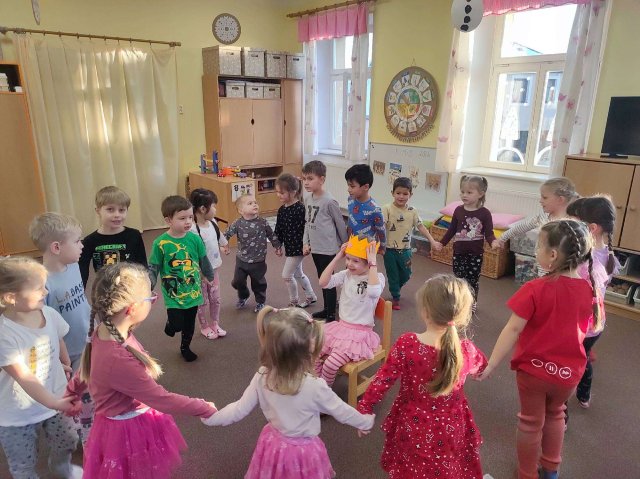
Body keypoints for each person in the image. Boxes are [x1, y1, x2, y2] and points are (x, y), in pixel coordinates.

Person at [65, 263, 216, 479]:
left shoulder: (104, 330)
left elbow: (85, 369)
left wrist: (71, 391)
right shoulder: (118, 358)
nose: (154, 301)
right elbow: (161, 399)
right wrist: (202, 407)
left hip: (118, 422)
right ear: (131, 309)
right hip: (127, 431)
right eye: (151, 298)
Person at [478, 219, 602, 479]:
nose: (536, 252)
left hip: (534, 372)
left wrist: (491, 364)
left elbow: (513, 329)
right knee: (556, 414)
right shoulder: (589, 290)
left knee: (530, 423)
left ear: (553, 255)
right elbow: (589, 327)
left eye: (538, 247)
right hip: (569, 374)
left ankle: (526, 473)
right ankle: (551, 470)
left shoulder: (535, 288)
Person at [201, 306, 374, 479]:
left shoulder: (262, 375)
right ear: (307, 353)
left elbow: (239, 409)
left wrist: (213, 417)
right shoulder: (315, 386)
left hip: (273, 444)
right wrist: (364, 422)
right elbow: (342, 411)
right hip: (304, 453)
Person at [357, 274, 487, 479]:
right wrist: (478, 371)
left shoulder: (407, 344)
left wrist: (364, 408)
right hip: (451, 426)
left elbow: (383, 380)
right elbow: (481, 368)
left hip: (413, 424)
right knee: (447, 466)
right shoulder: (466, 350)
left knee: (412, 467)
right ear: (461, 315)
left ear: (425, 311)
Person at [0, 256, 81, 479]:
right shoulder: (5, 334)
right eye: (38, 288)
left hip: (55, 396)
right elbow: (24, 376)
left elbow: (58, 337)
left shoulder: (49, 313)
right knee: (23, 463)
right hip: (18, 414)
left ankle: (61, 467)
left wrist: (64, 362)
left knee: (68, 440)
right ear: (11, 297)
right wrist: (54, 402)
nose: (46, 291)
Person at [566, 195, 620, 408]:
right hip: (596, 323)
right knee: (584, 357)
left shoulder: (584, 262)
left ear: (591, 228)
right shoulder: (608, 255)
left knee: (572, 361)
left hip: (580, 325)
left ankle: (565, 401)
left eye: (574, 224)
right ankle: (584, 394)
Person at [149, 195, 215, 362]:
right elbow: (154, 267)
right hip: (173, 293)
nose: (188, 222)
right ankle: (171, 325)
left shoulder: (195, 239)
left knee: (189, 324)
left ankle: (185, 347)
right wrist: (148, 286)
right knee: (177, 324)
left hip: (193, 291)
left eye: (190, 217)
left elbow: (203, 259)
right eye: (182, 218)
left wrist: (209, 275)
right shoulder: (160, 243)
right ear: (168, 220)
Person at [315, 236, 384, 387]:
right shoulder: (347, 274)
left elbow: (373, 293)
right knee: (313, 351)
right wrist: (338, 256)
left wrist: (373, 264)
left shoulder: (377, 277)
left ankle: (324, 393)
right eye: (348, 259)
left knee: (331, 364)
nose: (349, 264)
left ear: (368, 262)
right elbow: (323, 282)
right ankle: (317, 386)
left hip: (358, 335)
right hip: (340, 329)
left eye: (355, 261)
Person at [433, 175, 499, 310]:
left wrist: (493, 242)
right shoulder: (458, 210)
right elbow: (451, 230)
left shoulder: (485, 213)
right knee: (459, 279)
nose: (464, 195)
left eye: (469, 192)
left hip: (475, 255)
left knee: (472, 280)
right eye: (462, 192)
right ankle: (460, 301)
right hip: (459, 253)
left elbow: (489, 233)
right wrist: (442, 243)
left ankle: (472, 302)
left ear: (481, 194)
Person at [302, 160, 349, 321]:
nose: (306, 182)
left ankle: (330, 313)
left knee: (328, 280)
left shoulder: (329, 201)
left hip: (328, 248)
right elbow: (307, 222)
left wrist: (345, 245)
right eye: (304, 179)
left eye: (310, 178)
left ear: (321, 179)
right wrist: (306, 242)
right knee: (322, 279)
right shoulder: (308, 199)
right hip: (315, 247)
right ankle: (327, 308)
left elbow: (340, 224)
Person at [383, 176, 438, 310]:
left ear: (410, 195)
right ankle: (395, 296)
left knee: (406, 274)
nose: (401, 196)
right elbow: (381, 226)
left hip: (406, 250)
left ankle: (396, 287)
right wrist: (378, 242)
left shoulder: (412, 211)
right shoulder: (387, 208)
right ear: (392, 193)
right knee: (393, 274)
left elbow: (420, 226)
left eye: (405, 194)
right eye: (398, 193)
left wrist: (432, 241)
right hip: (389, 250)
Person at [79, 186, 148, 287]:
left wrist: (146, 287)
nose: (117, 215)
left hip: (131, 288)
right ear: (98, 211)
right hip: (104, 289)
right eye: (110, 209)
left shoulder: (134, 235)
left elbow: (142, 265)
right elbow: (82, 271)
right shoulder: (90, 241)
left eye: (122, 210)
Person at [224, 194, 282, 313]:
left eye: (255, 202)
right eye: (250, 203)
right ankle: (244, 295)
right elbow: (226, 234)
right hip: (242, 259)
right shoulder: (238, 223)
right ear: (241, 210)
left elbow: (271, 235)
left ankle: (260, 301)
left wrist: (277, 246)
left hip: (258, 260)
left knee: (258, 283)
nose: (254, 204)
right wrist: (224, 245)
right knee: (238, 281)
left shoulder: (262, 222)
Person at [190, 188, 230, 340]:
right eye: (213, 206)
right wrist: (200, 273)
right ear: (202, 209)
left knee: (216, 298)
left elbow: (218, 237)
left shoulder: (212, 222)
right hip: (199, 273)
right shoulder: (193, 229)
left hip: (214, 270)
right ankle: (204, 326)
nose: (215, 209)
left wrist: (224, 246)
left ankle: (215, 323)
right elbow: (192, 253)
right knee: (202, 301)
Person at [274, 173, 318, 308]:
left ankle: (294, 301)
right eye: (277, 192)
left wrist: (307, 244)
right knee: (298, 274)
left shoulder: (300, 209)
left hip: (298, 249)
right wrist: (278, 245)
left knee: (287, 275)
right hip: (290, 248)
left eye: (282, 193)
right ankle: (311, 296)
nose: (278, 195)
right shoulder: (282, 210)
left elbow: (307, 228)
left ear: (293, 192)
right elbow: (279, 229)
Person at [497, 177, 579, 247]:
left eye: (545, 197)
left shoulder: (573, 222)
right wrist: (502, 238)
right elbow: (519, 228)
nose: (540, 201)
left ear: (560, 199)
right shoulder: (542, 218)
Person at [345, 164, 386, 250]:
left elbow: (381, 231)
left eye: (352, 186)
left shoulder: (375, 210)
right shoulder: (350, 199)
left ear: (366, 187)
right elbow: (350, 221)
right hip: (351, 245)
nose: (348, 189)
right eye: (348, 185)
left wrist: (382, 249)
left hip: (366, 249)